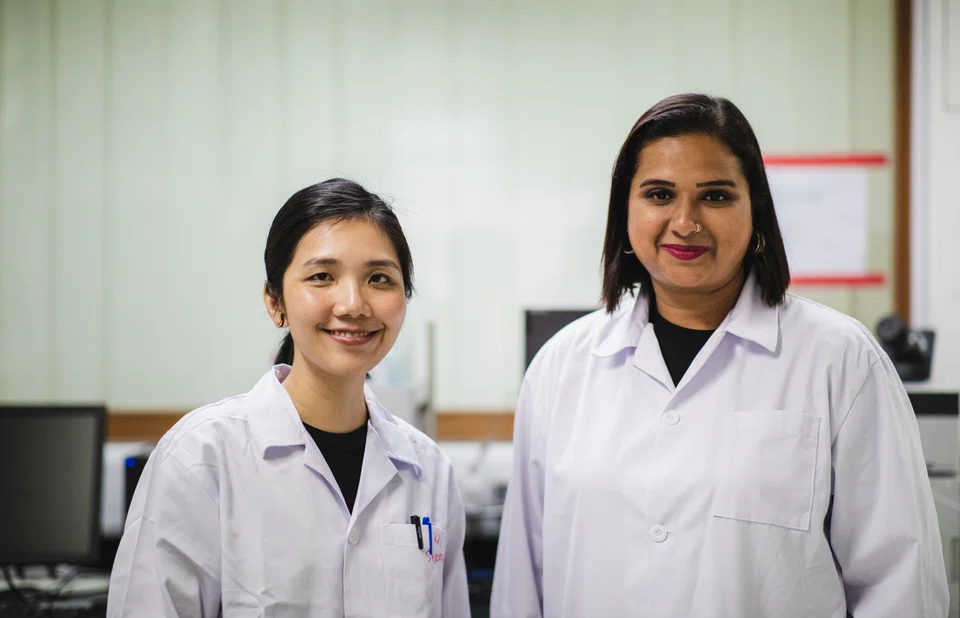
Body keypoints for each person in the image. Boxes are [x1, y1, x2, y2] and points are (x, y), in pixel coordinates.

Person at [490, 94, 948, 617]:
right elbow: (522, 584)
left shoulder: (840, 360)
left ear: (756, 212)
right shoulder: (561, 367)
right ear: (625, 212)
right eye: (659, 194)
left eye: (715, 196)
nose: (685, 222)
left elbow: (900, 585)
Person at [108, 178, 470, 617]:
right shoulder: (201, 458)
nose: (353, 304)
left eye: (379, 278)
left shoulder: (429, 471)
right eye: (322, 277)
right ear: (275, 302)